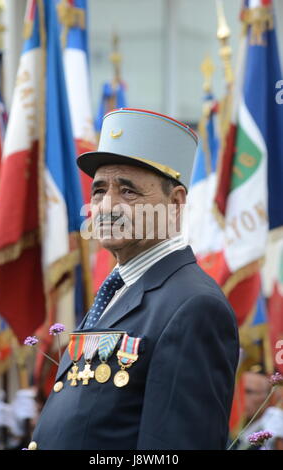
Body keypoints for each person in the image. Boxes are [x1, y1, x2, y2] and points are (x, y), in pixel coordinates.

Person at [28, 108, 239, 450]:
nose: (107, 206)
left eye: (128, 191)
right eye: (98, 190)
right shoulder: (118, 289)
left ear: (175, 203)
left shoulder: (193, 306)